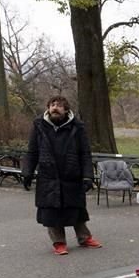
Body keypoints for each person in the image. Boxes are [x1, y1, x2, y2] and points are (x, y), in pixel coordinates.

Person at [21, 95, 102, 255]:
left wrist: (87, 176)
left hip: (71, 174)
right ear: (48, 108)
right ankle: (59, 243)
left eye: (59, 105)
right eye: (52, 105)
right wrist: (27, 172)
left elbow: (85, 153)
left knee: (76, 210)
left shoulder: (77, 127)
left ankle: (84, 238)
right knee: (51, 212)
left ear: (66, 109)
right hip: (48, 176)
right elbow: (32, 152)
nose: (55, 108)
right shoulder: (39, 126)